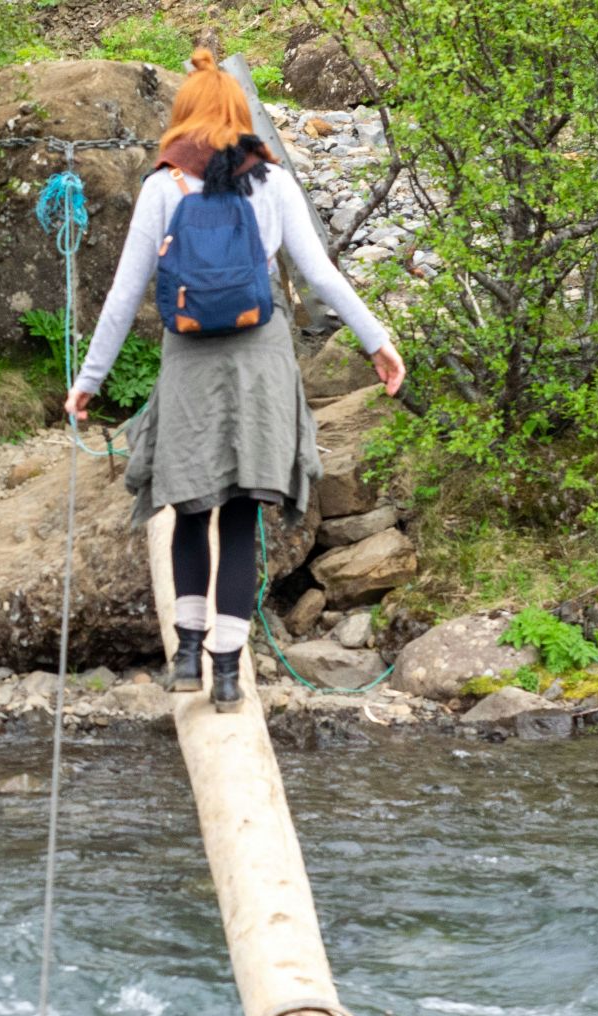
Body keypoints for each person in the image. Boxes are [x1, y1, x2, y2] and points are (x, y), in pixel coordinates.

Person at [61, 47, 405, 713]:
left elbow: (124, 295)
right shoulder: (271, 183)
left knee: (191, 505)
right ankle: (227, 669)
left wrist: (89, 381)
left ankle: (186, 657)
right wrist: (378, 343)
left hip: (189, 363)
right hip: (261, 361)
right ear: (241, 115)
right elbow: (322, 276)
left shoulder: (164, 187)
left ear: (182, 116)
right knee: (242, 511)